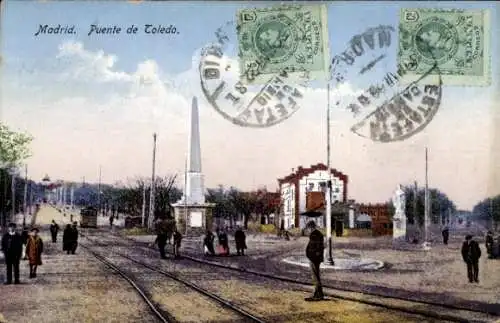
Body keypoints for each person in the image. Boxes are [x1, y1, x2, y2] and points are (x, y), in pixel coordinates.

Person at [305, 222, 325, 301]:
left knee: (315, 277)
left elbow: (313, 248)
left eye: (308, 228)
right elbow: (320, 247)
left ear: (311, 227)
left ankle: (317, 295)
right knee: (317, 276)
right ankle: (320, 294)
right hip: (317, 259)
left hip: (314, 259)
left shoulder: (314, 235)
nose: (308, 230)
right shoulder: (319, 234)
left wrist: (310, 256)